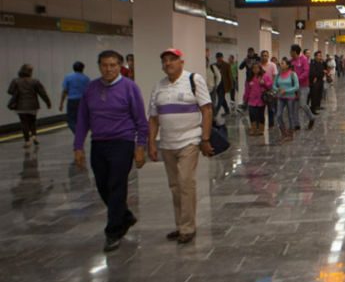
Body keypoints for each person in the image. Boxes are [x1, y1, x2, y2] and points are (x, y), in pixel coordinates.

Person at [73, 50, 148, 252]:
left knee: (116, 184)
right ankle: (124, 216)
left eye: (113, 65)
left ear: (120, 66)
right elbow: (82, 119)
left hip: (122, 142)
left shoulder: (129, 88)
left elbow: (141, 120)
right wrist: (78, 145)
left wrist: (140, 146)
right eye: (105, 65)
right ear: (99, 66)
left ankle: (113, 231)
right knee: (102, 185)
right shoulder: (91, 89)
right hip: (98, 143)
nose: (108, 69)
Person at [147, 48, 214, 244]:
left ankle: (187, 227)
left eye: (172, 60)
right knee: (175, 186)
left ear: (181, 62)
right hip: (167, 143)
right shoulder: (159, 86)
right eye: (165, 61)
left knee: (185, 182)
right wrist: (151, 142)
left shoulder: (194, 80)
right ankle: (180, 225)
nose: (168, 64)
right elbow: (153, 118)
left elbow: (206, 109)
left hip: (190, 140)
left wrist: (205, 138)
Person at [8, 64, 52, 148]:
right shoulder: (35, 81)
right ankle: (34, 136)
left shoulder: (15, 81)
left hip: (20, 106)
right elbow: (42, 93)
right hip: (33, 106)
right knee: (32, 121)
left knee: (24, 123)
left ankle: (27, 141)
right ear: (30, 72)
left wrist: (18, 91)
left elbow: (10, 91)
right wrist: (48, 103)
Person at [290, 44, 317, 129]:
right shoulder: (291, 61)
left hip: (303, 86)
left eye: (291, 51)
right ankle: (296, 124)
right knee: (295, 106)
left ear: (294, 52)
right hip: (294, 87)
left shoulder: (304, 60)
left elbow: (306, 72)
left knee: (302, 104)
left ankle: (311, 117)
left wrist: (297, 79)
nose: (290, 53)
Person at [273, 57, 300, 141]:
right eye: (280, 63)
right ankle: (284, 132)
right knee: (278, 115)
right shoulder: (278, 75)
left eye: (283, 63)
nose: (280, 64)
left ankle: (290, 134)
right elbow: (274, 85)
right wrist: (278, 90)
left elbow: (296, 86)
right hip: (280, 97)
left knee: (290, 115)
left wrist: (286, 91)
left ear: (288, 65)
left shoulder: (293, 74)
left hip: (290, 97)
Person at [59, 61, 91, 134]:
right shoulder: (86, 78)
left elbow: (65, 91)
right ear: (83, 69)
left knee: (71, 120)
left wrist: (61, 103)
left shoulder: (68, 77)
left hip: (72, 101)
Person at [243, 61, 273, 135]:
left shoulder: (265, 76)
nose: (255, 70)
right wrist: (245, 99)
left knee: (260, 115)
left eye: (257, 68)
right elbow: (246, 90)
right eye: (254, 68)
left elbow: (270, 86)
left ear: (260, 68)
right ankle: (253, 129)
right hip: (251, 100)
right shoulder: (249, 78)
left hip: (261, 100)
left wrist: (264, 83)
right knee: (252, 114)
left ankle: (261, 130)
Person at [211, 52, 232, 116]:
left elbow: (229, 76)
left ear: (222, 57)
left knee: (220, 98)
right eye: (218, 58)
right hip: (216, 85)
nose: (219, 59)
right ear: (216, 58)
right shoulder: (213, 66)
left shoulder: (227, 65)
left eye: (220, 57)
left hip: (223, 85)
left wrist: (231, 86)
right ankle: (227, 110)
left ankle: (216, 111)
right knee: (222, 98)